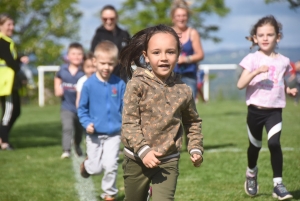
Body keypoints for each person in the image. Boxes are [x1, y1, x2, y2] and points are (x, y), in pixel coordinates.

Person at [119, 24, 204, 201]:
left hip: (168, 161)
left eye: (170, 52)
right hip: (136, 159)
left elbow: (193, 121)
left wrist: (195, 147)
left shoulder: (184, 90)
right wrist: (143, 150)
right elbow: (129, 123)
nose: (164, 58)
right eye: (156, 52)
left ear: (178, 55)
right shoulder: (136, 85)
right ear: (146, 57)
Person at [237, 15, 297, 200]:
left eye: (269, 34)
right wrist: (256, 72)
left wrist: (288, 90)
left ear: (277, 37)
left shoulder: (284, 61)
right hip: (255, 111)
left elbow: (281, 80)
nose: (265, 38)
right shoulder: (252, 59)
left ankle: (278, 184)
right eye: (261, 35)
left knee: (274, 144)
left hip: (275, 111)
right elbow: (240, 84)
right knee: (254, 147)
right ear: (255, 38)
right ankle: (251, 172)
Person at [78, 41, 125, 201]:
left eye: (110, 64)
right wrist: (86, 123)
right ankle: (86, 165)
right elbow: (82, 109)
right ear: (95, 62)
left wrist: (126, 125)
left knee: (111, 165)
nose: (106, 67)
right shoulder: (88, 85)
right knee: (96, 169)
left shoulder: (119, 84)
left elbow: (125, 108)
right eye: (103, 63)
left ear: (116, 63)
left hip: (114, 134)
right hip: (94, 134)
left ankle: (109, 193)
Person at [0, 13, 29, 150]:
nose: (12, 27)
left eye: (13, 24)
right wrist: (20, 66)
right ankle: (4, 142)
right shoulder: (2, 41)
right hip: (5, 84)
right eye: (8, 24)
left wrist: (20, 58)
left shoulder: (8, 41)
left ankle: (2, 138)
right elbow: (11, 63)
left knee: (15, 111)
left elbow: (11, 60)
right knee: (9, 112)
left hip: (9, 83)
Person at [54, 42, 85, 158]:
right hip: (66, 107)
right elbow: (57, 78)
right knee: (67, 127)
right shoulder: (63, 69)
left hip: (81, 107)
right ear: (68, 55)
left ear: (83, 56)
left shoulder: (84, 71)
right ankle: (66, 150)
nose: (76, 56)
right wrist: (57, 88)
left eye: (79, 54)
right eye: (73, 54)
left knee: (79, 130)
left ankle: (77, 145)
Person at [171, 0, 204, 98]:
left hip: (189, 75)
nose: (181, 18)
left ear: (188, 17)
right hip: (170, 76)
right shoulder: (168, 33)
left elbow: (200, 54)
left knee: (189, 109)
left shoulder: (193, 33)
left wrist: (186, 59)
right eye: (178, 16)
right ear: (173, 18)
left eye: (184, 15)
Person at [90, 5, 130, 81]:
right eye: (105, 19)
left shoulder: (124, 34)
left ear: (117, 18)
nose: (109, 21)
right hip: (104, 79)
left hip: (122, 78)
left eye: (112, 18)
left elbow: (130, 56)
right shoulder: (98, 36)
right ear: (101, 19)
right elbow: (93, 57)